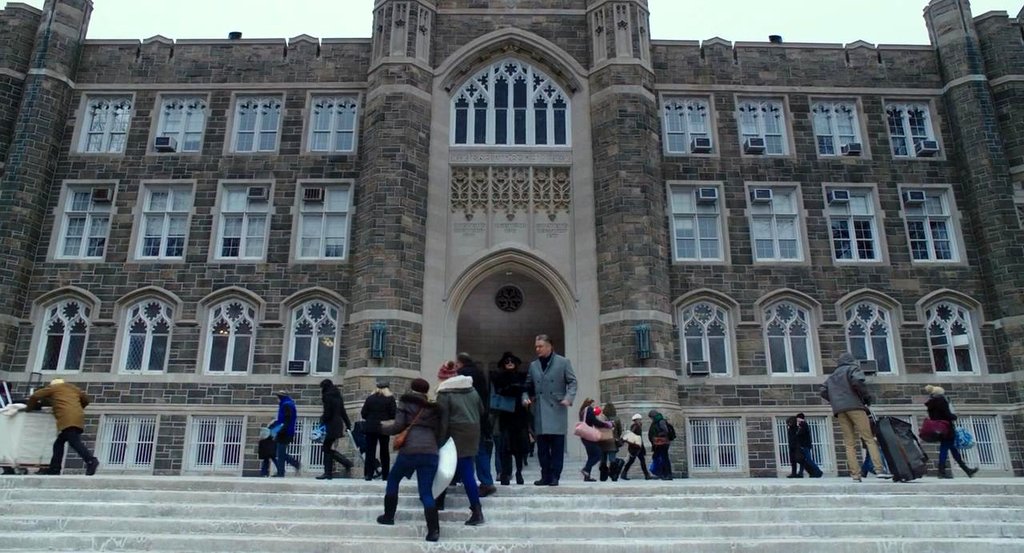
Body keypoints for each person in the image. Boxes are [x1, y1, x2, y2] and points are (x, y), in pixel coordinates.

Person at [375, 378, 443, 542]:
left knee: (393, 479)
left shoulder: (406, 403)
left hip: (410, 450)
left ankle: (389, 516)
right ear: (426, 391)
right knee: (426, 492)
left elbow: (398, 427)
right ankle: (433, 531)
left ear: (412, 388)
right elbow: (440, 431)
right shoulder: (434, 408)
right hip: (430, 451)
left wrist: (379, 428)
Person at [820, 353, 887, 482]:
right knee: (868, 438)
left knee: (849, 443)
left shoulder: (832, 376)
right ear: (851, 360)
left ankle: (855, 474)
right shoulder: (853, 369)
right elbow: (858, 382)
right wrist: (866, 398)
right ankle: (879, 469)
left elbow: (823, 390)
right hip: (855, 406)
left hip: (840, 410)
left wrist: (834, 400)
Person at [522, 334, 577, 486]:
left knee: (557, 447)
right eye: (536, 347)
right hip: (540, 409)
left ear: (549, 346)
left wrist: (568, 398)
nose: (537, 349)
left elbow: (572, 382)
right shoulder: (534, 365)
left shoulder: (563, 362)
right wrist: (525, 397)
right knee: (542, 449)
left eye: (540, 346)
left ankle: (555, 476)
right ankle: (545, 475)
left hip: (557, 407)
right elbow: (527, 385)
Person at [436, 361, 487, 526]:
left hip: (454, 433)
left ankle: (476, 510)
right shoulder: (472, 390)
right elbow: (481, 411)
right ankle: (443, 502)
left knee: (449, 469)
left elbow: (442, 420)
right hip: (473, 432)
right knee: (465, 468)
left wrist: (440, 441)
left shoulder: (445, 393)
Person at [24, 379, 99, 475]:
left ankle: (91, 461)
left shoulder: (53, 388)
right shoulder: (73, 388)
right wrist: (76, 408)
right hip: (78, 416)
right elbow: (86, 400)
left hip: (67, 417)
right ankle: (54, 468)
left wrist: (28, 408)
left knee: (74, 442)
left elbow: (35, 396)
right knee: (59, 443)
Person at [455, 352, 496, 498]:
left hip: (462, 420)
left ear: (460, 363)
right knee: (480, 451)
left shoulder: (460, 376)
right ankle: (486, 481)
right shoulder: (479, 375)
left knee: (462, 452)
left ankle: (460, 478)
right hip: (479, 419)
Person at [491, 352, 530, 485]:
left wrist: (517, 390)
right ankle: (505, 474)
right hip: (506, 415)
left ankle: (519, 472)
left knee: (519, 448)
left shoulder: (521, 377)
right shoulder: (498, 377)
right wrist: (512, 389)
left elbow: (527, 391)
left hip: (519, 415)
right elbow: (499, 392)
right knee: (505, 447)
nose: (509, 363)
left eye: (511, 361)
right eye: (507, 362)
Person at [924, 385, 979, 479]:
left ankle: (966, 470)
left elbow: (933, 416)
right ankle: (941, 472)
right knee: (944, 449)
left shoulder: (930, 403)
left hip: (939, 428)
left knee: (953, 450)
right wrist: (954, 416)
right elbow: (947, 414)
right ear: (940, 394)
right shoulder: (942, 401)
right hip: (947, 428)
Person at [317, 379, 354, 480]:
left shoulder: (327, 396)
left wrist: (322, 420)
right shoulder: (337, 395)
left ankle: (328, 472)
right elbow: (343, 411)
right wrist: (348, 424)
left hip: (330, 425)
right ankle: (345, 463)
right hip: (338, 424)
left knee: (326, 448)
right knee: (328, 448)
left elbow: (328, 412)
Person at [361, 380, 397, 481]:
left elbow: (363, 413)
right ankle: (385, 475)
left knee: (370, 451)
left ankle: (369, 474)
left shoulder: (370, 398)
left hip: (371, 426)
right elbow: (393, 414)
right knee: (384, 451)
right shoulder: (390, 399)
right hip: (384, 426)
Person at [271, 391, 301, 477]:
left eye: (277, 397)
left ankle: (283, 471)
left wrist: (281, 430)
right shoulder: (286, 404)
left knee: (280, 452)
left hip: (285, 431)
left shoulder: (286, 405)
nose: (277, 399)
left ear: (281, 397)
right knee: (280, 452)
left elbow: (287, 420)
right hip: (285, 430)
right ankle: (291, 465)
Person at [577, 399, 605, 482]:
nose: (594, 406)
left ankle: (587, 476)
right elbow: (594, 421)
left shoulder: (583, 411)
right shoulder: (588, 409)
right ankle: (586, 469)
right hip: (589, 435)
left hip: (584, 435)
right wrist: (605, 424)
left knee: (591, 456)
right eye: (593, 404)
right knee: (598, 454)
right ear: (589, 404)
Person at [621, 413, 651, 480]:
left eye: (640, 419)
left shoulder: (638, 426)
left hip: (638, 447)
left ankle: (647, 475)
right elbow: (631, 435)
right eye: (639, 419)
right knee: (632, 461)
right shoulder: (635, 426)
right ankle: (624, 473)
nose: (640, 421)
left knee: (641, 461)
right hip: (635, 447)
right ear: (636, 420)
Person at [598, 401, 623, 481]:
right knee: (612, 459)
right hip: (612, 442)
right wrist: (617, 437)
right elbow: (620, 431)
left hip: (603, 441)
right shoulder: (617, 419)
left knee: (603, 460)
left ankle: (603, 477)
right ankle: (614, 475)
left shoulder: (602, 418)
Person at [647, 410, 673, 480]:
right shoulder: (656, 421)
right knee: (657, 457)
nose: (651, 419)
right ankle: (661, 474)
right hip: (657, 444)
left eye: (651, 417)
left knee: (664, 458)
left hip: (662, 443)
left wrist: (658, 435)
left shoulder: (661, 421)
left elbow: (665, 431)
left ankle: (668, 474)